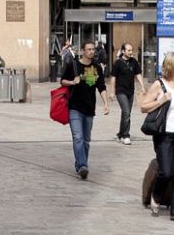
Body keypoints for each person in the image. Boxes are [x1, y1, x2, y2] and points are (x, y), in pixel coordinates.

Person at [138, 52, 174, 224]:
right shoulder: (159, 84)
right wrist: (161, 100)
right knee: (166, 171)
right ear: (171, 66)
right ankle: (156, 194)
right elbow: (143, 107)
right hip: (164, 134)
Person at [59, 41, 106, 180]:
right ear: (83, 51)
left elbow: (101, 86)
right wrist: (72, 82)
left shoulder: (97, 67)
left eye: (93, 49)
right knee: (78, 137)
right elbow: (62, 81)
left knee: (86, 140)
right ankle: (83, 165)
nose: (92, 52)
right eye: (89, 49)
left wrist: (106, 103)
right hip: (74, 107)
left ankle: (80, 163)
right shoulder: (73, 65)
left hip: (89, 108)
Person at [109, 43, 140, 146]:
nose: (130, 52)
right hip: (120, 91)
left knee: (126, 114)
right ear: (123, 51)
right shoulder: (117, 63)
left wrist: (142, 86)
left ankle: (120, 134)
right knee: (126, 112)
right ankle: (126, 136)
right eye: (128, 50)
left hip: (130, 91)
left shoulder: (134, 62)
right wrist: (112, 91)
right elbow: (113, 78)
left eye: (131, 50)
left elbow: (138, 74)